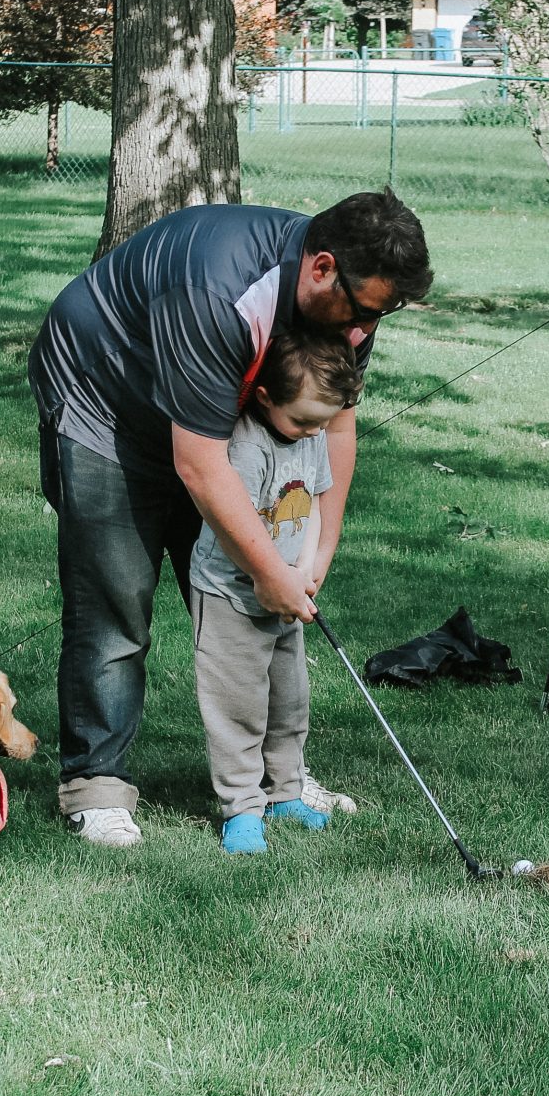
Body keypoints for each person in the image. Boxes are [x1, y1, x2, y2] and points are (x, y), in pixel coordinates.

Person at [28, 190, 433, 847]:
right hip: (104, 396)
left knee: (248, 602)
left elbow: (336, 422)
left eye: (379, 317)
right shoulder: (217, 288)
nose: (363, 333)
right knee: (116, 599)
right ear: (321, 267)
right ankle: (95, 787)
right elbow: (197, 464)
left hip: (213, 418)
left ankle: (282, 782)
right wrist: (269, 568)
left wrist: (312, 555)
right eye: (363, 313)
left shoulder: (353, 304)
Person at [188, 330, 360, 854]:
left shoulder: (310, 437)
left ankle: (285, 791)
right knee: (238, 705)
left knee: (289, 700)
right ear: (265, 396)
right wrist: (276, 577)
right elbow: (232, 523)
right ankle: (241, 807)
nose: (313, 431)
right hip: (231, 597)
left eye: (323, 422)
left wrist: (305, 570)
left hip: (285, 596)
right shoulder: (246, 446)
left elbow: (311, 504)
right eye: (304, 420)